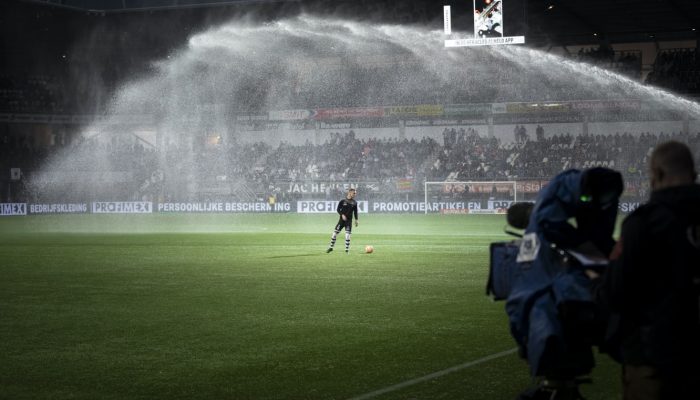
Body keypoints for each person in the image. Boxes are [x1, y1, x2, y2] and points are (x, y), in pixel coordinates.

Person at [587, 141, 700, 399]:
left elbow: (614, 294)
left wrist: (593, 282)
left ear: (656, 175)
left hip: (655, 359)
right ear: (693, 175)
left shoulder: (645, 223)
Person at [326, 188, 359, 254]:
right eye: (354, 193)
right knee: (334, 234)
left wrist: (356, 219)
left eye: (355, 193)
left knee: (347, 235)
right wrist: (342, 215)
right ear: (349, 193)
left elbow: (355, 212)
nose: (355, 194)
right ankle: (331, 247)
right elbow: (338, 209)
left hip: (348, 221)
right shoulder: (342, 201)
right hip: (341, 221)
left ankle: (347, 250)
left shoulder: (354, 202)